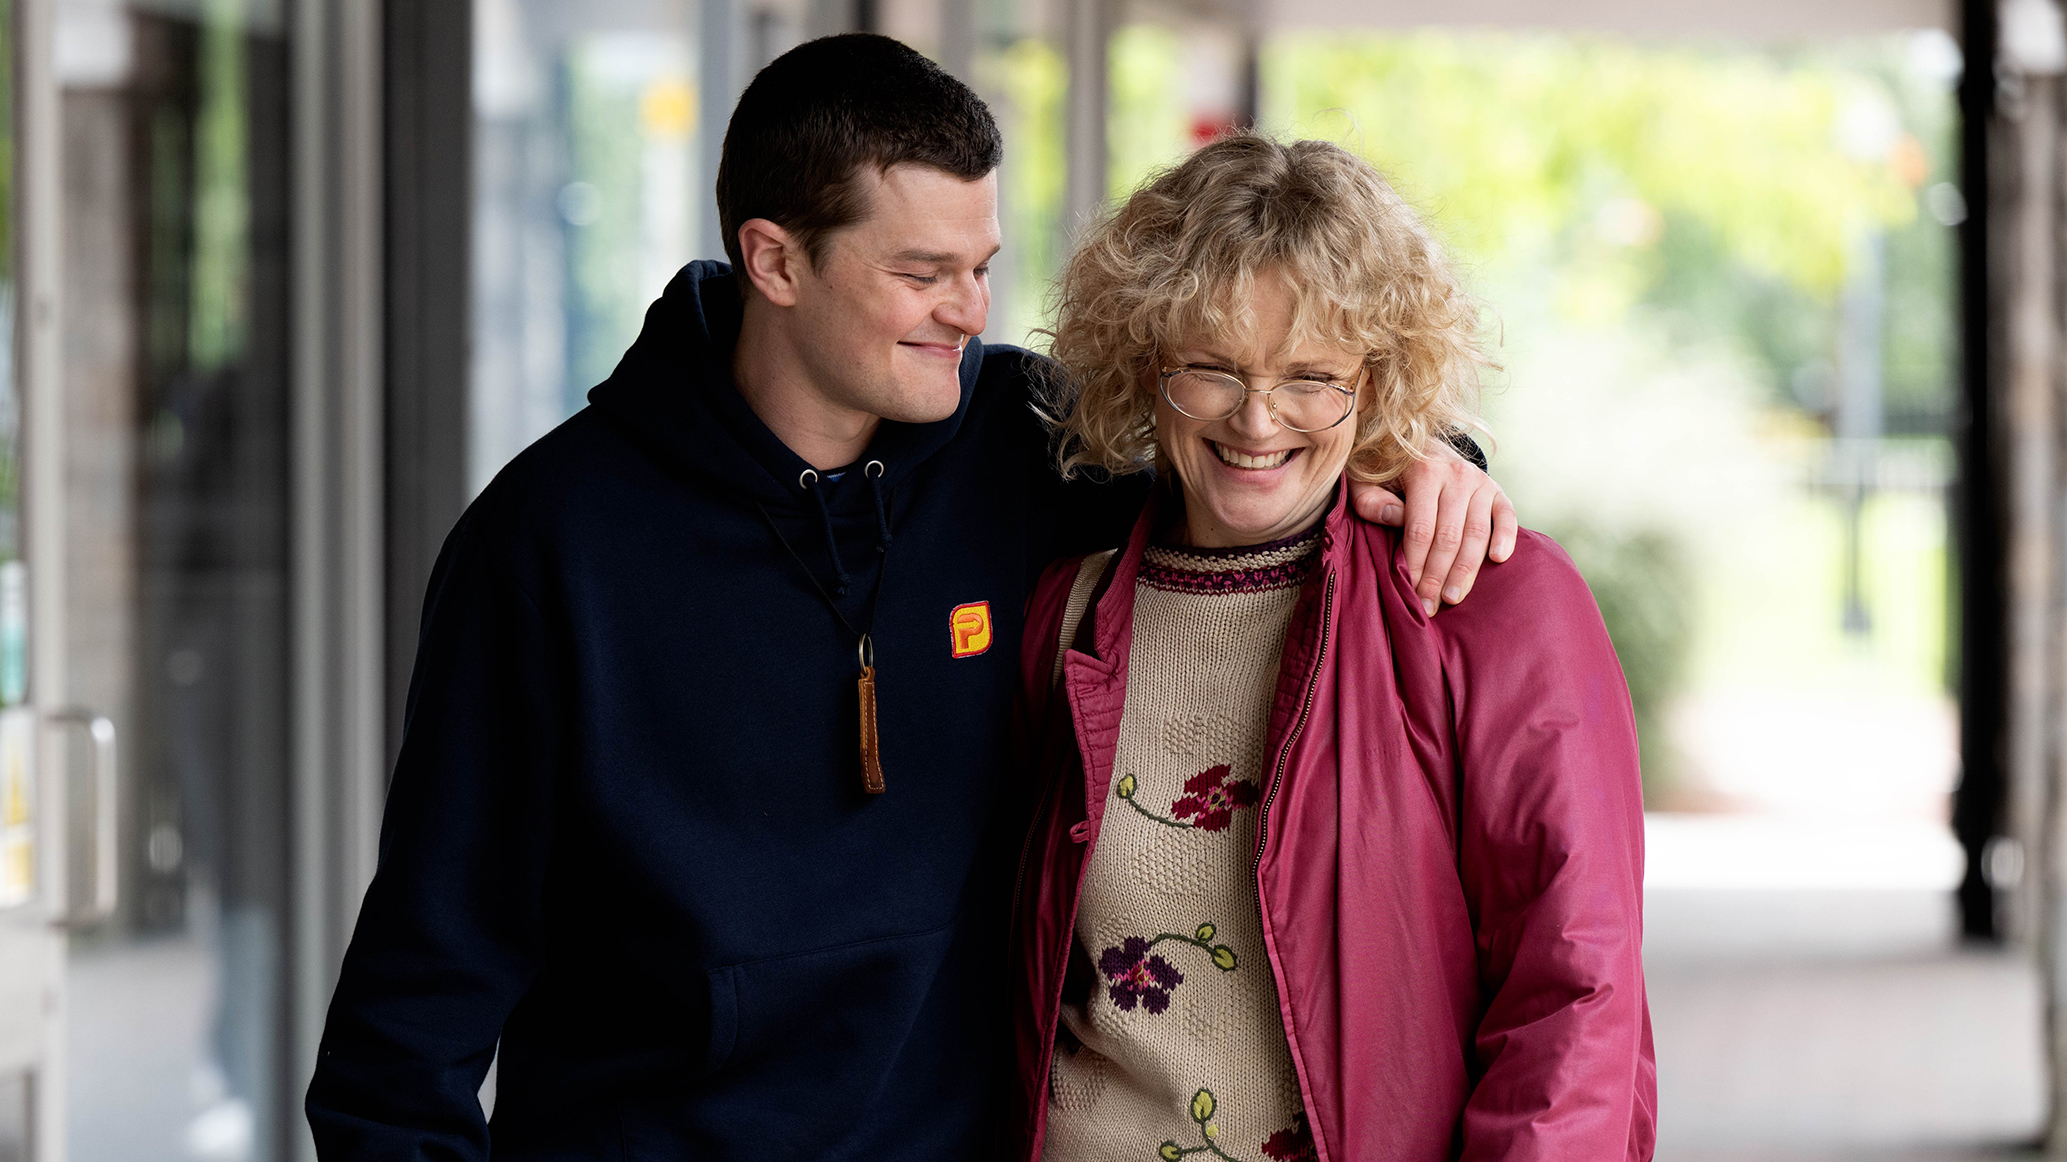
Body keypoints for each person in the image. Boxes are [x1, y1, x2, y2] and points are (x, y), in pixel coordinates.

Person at [304, 36, 1513, 1162]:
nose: (970, 310)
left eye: (980, 267)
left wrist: (1428, 453)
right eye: (921, 273)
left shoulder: (1024, 446)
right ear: (775, 259)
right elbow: (417, 1002)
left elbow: (1256, 442)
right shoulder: (549, 542)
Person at [1005, 134, 1655, 1162]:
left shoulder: (1490, 601)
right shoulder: (1064, 612)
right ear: (1146, 361)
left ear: (1380, 377)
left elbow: (1575, 991)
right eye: (1213, 368)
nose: (1258, 419)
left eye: (1312, 377)